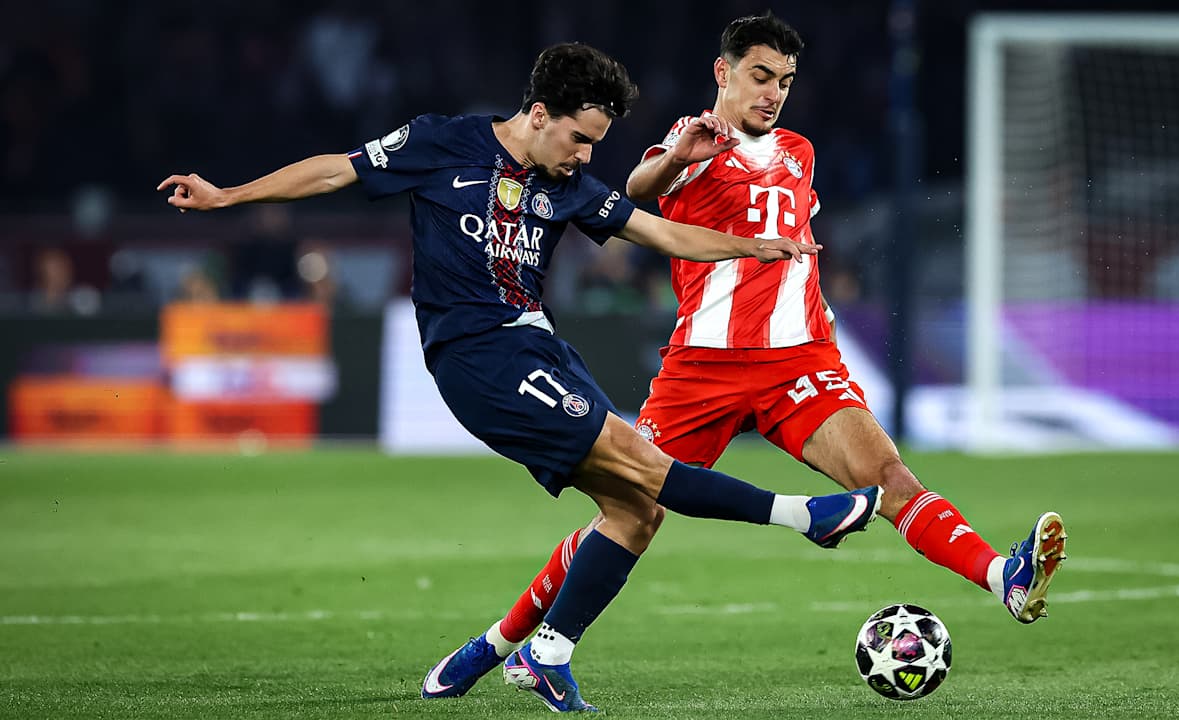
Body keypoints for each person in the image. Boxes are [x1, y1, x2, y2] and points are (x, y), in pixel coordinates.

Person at [157, 42, 882, 713]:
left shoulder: (568, 183)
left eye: (595, 144)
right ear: (538, 115)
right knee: (642, 463)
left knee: (634, 510)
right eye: (579, 139)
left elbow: (659, 231)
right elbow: (335, 170)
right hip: (477, 356)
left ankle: (526, 653)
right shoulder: (442, 143)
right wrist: (228, 197)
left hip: (542, 350)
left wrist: (752, 246)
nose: (585, 156)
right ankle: (806, 517)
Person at [422, 13, 1069, 705]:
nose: (773, 93)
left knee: (889, 479)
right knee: (631, 507)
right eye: (761, 76)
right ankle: (503, 646)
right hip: (702, 369)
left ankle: (1004, 577)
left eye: (784, 81)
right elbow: (638, 189)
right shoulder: (693, 139)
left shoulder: (800, 151)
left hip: (799, 362)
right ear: (723, 72)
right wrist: (678, 158)